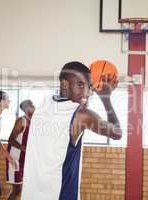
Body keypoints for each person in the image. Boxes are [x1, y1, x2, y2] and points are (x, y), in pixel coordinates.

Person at [21, 61, 122, 200]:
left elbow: (74, 102)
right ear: (64, 84)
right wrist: (106, 98)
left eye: (89, 87)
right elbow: (117, 133)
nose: (86, 92)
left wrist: (85, 92)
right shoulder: (82, 116)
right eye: (80, 85)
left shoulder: (44, 105)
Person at [6, 100, 35, 200]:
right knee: (16, 189)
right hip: (15, 159)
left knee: (21, 188)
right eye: (32, 105)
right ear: (27, 108)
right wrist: (24, 148)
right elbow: (11, 139)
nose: (34, 106)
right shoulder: (21, 121)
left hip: (24, 160)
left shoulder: (32, 121)